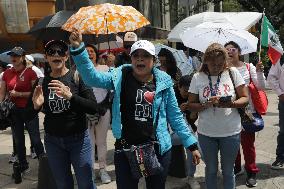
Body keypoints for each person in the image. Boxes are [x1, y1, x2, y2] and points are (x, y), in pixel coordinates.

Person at [69, 30, 201, 189]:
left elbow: (176, 117)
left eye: (145, 56)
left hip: (157, 148)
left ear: (154, 60)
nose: (140, 58)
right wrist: (78, 49)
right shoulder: (120, 76)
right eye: (135, 55)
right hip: (125, 148)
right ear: (131, 58)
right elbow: (92, 78)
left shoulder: (164, 82)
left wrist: (192, 145)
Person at [27, 40, 106, 189]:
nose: (56, 54)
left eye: (60, 51)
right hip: (53, 142)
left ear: (66, 56)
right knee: (63, 185)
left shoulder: (77, 76)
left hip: (79, 141)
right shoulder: (41, 82)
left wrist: (71, 97)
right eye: (51, 52)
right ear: (46, 57)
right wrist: (36, 107)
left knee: (86, 184)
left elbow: (95, 108)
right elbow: (27, 115)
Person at [187, 43, 249, 189]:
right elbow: (190, 104)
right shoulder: (197, 77)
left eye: (220, 64)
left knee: (228, 171)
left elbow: (245, 98)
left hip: (231, 132)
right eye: (213, 64)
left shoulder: (233, 73)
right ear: (206, 61)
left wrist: (230, 104)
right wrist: (205, 105)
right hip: (206, 133)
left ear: (225, 61)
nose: (216, 67)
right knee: (211, 170)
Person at [224, 41, 266, 187]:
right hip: (229, 112)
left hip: (247, 112)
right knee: (231, 144)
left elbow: (261, 86)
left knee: (248, 145)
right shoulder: (222, 69)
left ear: (239, 52)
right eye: (226, 49)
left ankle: (251, 172)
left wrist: (260, 72)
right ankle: (236, 168)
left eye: (232, 49)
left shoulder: (249, 67)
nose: (229, 51)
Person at [0, 47, 45, 172]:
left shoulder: (31, 72)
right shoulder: (7, 73)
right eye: (12, 55)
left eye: (17, 55)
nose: (13, 58)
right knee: (18, 140)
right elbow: (2, 92)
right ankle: (23, 165)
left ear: (23, 57)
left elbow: (35, 94)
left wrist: (19, 94)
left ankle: (44, 164)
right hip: (14, 111)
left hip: (29, 110)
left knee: (35, 139)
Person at [85, 43, 112, 184]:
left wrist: (112, 65)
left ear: (96, 54)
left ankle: (103, 170)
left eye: (91, 51)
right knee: (88, 142)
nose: (89, 53)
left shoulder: (105, 68)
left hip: (103, 109)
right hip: (86, 112)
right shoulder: (78, 70)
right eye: (86, 52)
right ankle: (89, 171)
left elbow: (111, 87)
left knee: (101, 142)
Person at [174, 75, 200, 189]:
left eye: (189, 91)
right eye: (185, 91)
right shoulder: (171, 95)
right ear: (178, 87)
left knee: (194, 146)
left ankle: (191, 176)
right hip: (169, 131)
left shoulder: (193, 97)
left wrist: (193, 112)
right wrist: (179, 110)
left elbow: (192, 120)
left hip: (187, 130)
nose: (187, 94)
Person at [268, 59, 284, 170]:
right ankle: (281, 158)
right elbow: (271, 78)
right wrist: (280, 93)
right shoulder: (280, 59)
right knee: (283, 131)